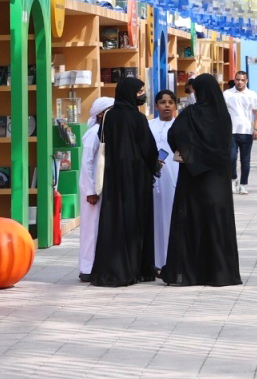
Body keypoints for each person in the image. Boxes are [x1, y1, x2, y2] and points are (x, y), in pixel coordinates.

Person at [164, 74, 242, 287]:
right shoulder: (224, 116)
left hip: (194, 178)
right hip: (218, 178)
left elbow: (174, 135)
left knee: (194, 223)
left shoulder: (191, 114)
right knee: (217, 224)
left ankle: (193, 273)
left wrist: (190, 156)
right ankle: (220, 273)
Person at [90, 77, 159, 287]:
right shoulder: (138, 119)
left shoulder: (109, 116)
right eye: (139, 92)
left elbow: (102, 142)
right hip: (137, 178)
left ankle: (111, 269)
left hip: (113, 176)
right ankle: (137, 268)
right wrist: (155, 165)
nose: (141, 95)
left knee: (114, 221)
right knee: (135, 221)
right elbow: (148, 148)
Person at [77, 97, 115, 281]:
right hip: (91, 190)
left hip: (98, 188)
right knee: (90, 230)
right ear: (101, 113)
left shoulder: (104, 132)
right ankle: (87, 268)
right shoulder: (94, 133)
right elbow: (87, 163)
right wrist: (91, 190)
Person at [150, 90, 180, 273]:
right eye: (162, 102)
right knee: (154, 218)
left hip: (174, 177)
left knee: (170, 217)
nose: (167, 106)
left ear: (176, 105)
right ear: (156, 106)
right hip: (152, 178)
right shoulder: (148, 125)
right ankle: (154, 261)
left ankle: (170, 261)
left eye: (170, 102)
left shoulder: (180, 126)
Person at [224, 70, 257, 195]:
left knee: (245, 160)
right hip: (231, 132)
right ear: (234, 80)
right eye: (237, 79)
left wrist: (256, 129)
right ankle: (233, 179)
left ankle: (243, 184)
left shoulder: (252, 95)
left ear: (246, 81)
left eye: (242, 80)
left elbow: (256, 114)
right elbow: (222, 114)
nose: (239, 82)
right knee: (231, 158)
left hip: (246, 132)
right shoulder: (227, 94)